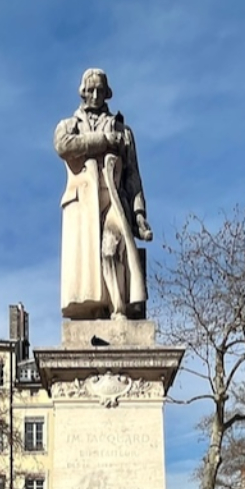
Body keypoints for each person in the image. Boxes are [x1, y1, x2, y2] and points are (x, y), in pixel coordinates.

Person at [54, 68, 152, 321]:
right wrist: (103, 140)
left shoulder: (122, 129)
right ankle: (96, 308)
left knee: (111, 250)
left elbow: (133, 174)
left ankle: (119, 310)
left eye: (100, 89)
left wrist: (139, 213)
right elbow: (63, 146)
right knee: (88, 269)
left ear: (107, 93)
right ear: (83, 92)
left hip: (114, 200)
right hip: (83, 204)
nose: (95, 94)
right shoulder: (69, 125)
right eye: (91, 89)